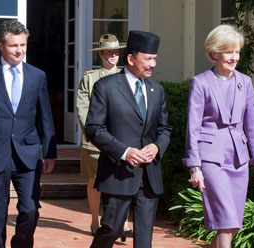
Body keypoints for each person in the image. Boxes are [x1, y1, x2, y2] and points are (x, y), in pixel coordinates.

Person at [0, 20, 57, 248]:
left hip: (28, 154)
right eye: (14, 45)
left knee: (30, 209)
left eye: (23, 45)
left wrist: (50, 152)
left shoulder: (37, 76)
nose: (19, 51)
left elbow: (45, 117)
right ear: (1, 45)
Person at [182, 24, 254, 248]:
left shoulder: (245, 83)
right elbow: (193, 127)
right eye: (229, 51)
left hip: (239, 160)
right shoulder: (200, 83)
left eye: (237, 51)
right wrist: (195, 166)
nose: (234, 57)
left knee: (231, 225)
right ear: (215, 53)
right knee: (225, 219)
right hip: (211, 160)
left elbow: (253, 126)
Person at [85, 30, 171, 248]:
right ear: (131, 58)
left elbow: (164, 128)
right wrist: (124, 151)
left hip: (149, 175)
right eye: (148, 58)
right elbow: (94, 128)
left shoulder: (157, 90)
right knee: (111, 230)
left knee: (144, 240)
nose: (153, 64)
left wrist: (157, 147)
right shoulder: (105, 87)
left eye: (155, 59)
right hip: (118, 173)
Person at [76, 34, 131, 238]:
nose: (113, 55)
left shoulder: (126, 76)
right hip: (96, 141)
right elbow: (83, 109)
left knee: (123, 179)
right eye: (109, 52)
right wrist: (94, 134)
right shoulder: (89, 78)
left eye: (116, 52)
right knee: (94, 180)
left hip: (121, 140)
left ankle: (123, 222)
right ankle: (94, 220)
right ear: (100, 54)